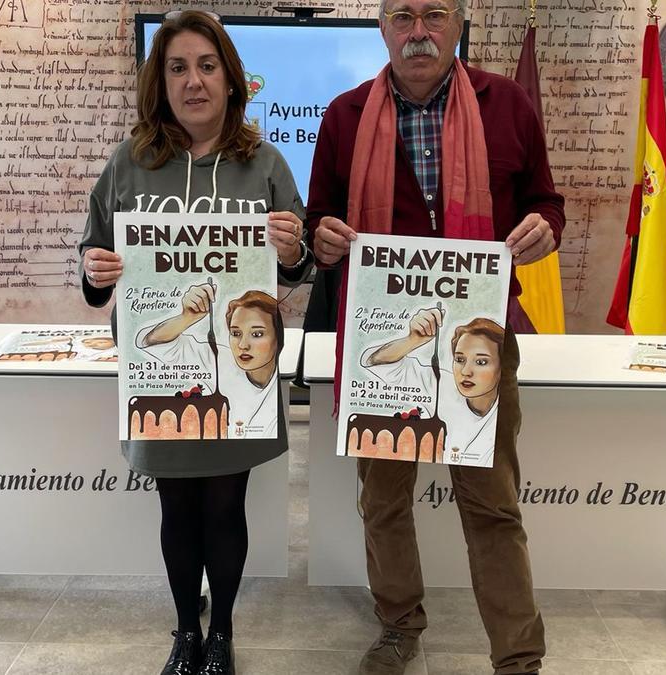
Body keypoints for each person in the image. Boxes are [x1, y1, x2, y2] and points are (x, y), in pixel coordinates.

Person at [306, 0, 565, 672]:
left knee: (492, 504)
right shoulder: (344, 116)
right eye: (404, 16)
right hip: (385, 347)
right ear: (383, 27)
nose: (419, 32)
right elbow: (319, 225)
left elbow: (546, 201)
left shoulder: (506, 104)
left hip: (481, 339)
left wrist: (544, 229)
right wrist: (323, 238)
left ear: (459, 24)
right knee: (383, 501)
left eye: (435, 15)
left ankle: (518, 653)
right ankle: (398, 626)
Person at [76, 11, 311, 675]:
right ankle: (185, 630)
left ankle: (224, 635)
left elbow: (296, 270)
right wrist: (94, 271)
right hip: (158, 369)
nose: (194, 81)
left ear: (231, 80)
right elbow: (94, 248)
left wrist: (291, 252)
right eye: (177, 67)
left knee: (223, 504)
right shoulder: (130, 161)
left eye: (207, 66)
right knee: (176, 502)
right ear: (161, 82)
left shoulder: (265, 163)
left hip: (239, 371)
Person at [138, 288, 283, 439]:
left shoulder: (282, 382)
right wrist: (186, 318)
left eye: (257, 334)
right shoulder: (219, 361)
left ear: (278, 337)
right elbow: (153, 342)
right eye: (236, 333)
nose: (243, 345)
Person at [362, 311, 504, 465]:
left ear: (502, 366)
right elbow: (375, 362)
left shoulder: (504, 413)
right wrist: (412, 340)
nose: (465, 372)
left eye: (481, 362)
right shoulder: (441, 386)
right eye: (460, 359)